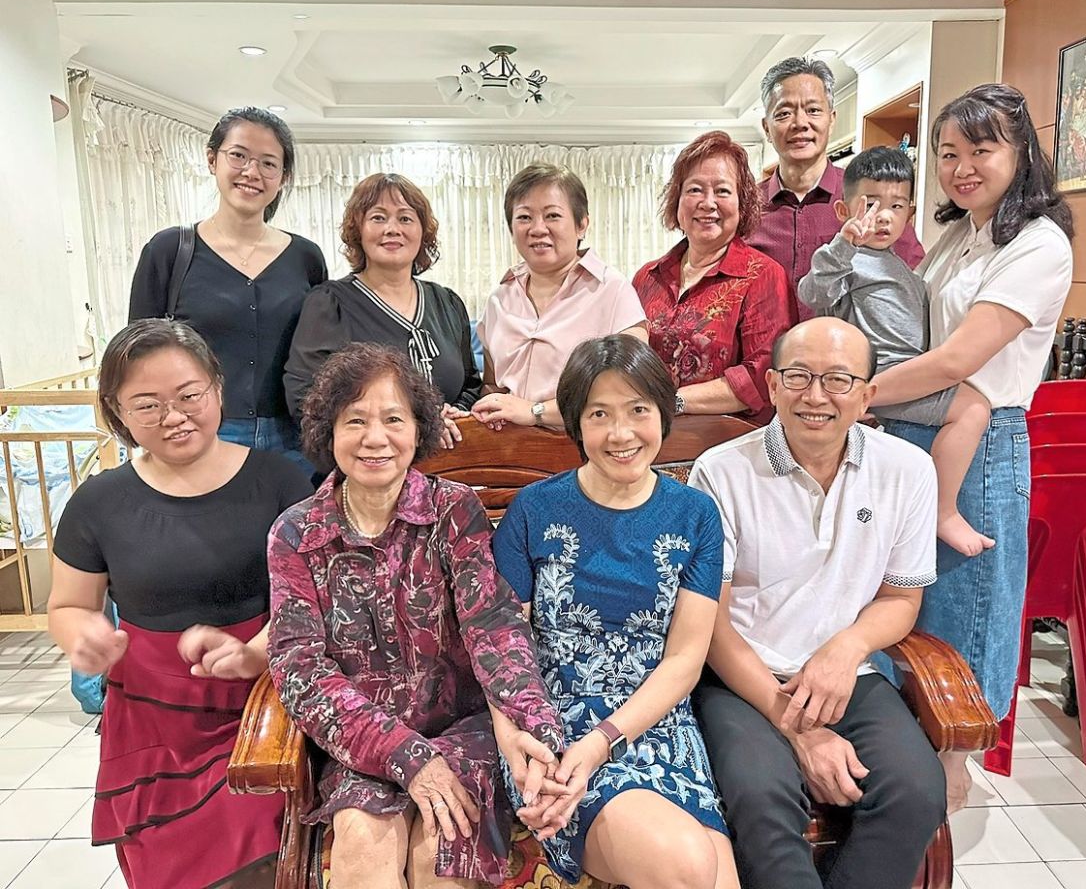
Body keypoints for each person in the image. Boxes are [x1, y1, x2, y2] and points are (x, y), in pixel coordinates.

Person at [266, 344, 564, 889]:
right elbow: (300, 670)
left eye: (393, 419)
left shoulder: (454, 509)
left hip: (462, 730)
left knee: (442, 856)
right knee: (362, 852)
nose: (375, 438)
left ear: (419, 428)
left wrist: (535, 729)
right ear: (329, 432)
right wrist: (403, 753)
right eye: (355, 420)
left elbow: (494, 626)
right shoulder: (296, 533)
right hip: (364, 738)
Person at [47, 319, 314, 888]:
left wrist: (256, 652)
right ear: (117, 412)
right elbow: (69, 606)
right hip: (149, 724)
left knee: (256, 858)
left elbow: (311, 600)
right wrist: (82, 638)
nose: (174, 417)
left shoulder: (280, 483)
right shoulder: (98, 503)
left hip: (259, 706)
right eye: (147, 406)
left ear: (217, 386)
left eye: (189, 395)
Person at [867, 83, 1073, 810]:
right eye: (948, 153)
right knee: (905, 608)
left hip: (978, 440)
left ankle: (950, 779)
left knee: (962, 615)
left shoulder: (1039, 244)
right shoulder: (960, 233)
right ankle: (910, 782)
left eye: (981, 150)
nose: (962, 168)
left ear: (1021, 154)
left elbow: (959, 359)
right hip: (917, 424)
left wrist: (858, 393)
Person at [689, 317, 946, 889]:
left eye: (838, 380)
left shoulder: (907, 469)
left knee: (916, 791)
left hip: (848, 676)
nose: (816, 396)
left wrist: (845, 648)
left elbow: (901, 599)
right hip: (744, 678)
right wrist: (800, 730)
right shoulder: (722, 472)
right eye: (799, 376)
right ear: (773, 384)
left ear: (867, 395)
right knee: (761, 798)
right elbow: (711, 622)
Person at [492, 335, 740, 889]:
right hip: (553, 727)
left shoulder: (696, 514)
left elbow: (684, 660)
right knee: (687, 865)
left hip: (654, 721)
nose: (621, 433)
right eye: (599, 414)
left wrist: (605, 739)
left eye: (638, 410)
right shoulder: (534, 509)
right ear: (576, 425)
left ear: (663, 414)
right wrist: (516, 744)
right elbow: (499, 648)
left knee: (715, 877)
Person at [798, 146, 994, 556]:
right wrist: (844, 244)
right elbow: (813, 292)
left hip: (908, 375)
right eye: (870, 204)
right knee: (974, 409)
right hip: (883, 377)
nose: (883, 216)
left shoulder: (901, 266)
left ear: (909, 214)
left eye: (897, 205)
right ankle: (944, 511)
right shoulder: (846, 259)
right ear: (843, 210)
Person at [128, 107, 327, 463]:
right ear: (212, 160)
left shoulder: (305, 257)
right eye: (238, 156)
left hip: (294, 439)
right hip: (200, 432)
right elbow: (137, 356)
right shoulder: (169, 251)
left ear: (283, 177)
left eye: (268, 163)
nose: (252, 172)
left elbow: (320, 349)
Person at [284, 173, 482, 449]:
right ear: (359, 230)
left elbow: (471, 384)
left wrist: (454, 415)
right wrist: (408, 428)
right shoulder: (330, 303)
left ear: (423, 232)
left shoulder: (447, 302)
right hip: (369, 455)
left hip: (450, 458)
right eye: (378, 218)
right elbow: (304, 395)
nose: (392, 229)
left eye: (405, 218)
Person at [633, 131, 796, 423]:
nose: (708, 203)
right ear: (677, 200)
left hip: (729, 439)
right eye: (695, 189)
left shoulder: (763, 275)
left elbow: (762, 377)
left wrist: (672, 403)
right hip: (646, 435)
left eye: (722, 191)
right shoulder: (647, 277)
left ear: (742, 203)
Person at [746, 57, 925, 321]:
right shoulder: (745, 207)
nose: (800, 123)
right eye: (784, 113)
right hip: (765, 348)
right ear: (766, 128)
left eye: (813, 110)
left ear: (831, 120)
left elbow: (915, 279)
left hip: (854, 347)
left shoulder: (871, 200)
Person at [471, 162, 646, 430]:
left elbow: (631, 390)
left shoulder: (613, 291)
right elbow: (493, 386)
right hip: (507, 449)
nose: (538, 228)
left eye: (552, 215)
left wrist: (535, 412)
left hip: (585, 447)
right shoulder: (499, 300)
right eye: (524, 217)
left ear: (581, 224)